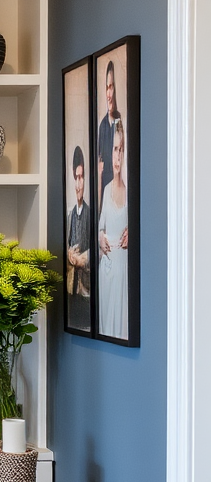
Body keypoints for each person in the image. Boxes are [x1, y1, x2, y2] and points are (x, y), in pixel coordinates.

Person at [97, 119, 129, 339]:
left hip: (123, 270)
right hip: (106, 271)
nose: (117, 156)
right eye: (114, 149)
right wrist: (100, 236)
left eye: (121, 149)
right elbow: (99, 225)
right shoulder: (106, 190)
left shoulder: (131, 194)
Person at [66, 144, 91, 331]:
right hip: (71, 290)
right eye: (76, 178)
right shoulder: (71, 215)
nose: (78, 184)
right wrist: (69, 255)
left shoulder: (91, 214)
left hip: (87, 290)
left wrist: (84, 259)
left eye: (81, 178)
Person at [97, 59, 121, 206]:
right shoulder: (102, 127)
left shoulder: (120, 125)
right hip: (106, 201)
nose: (108, 94)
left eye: (111, 87)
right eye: (107, 88)